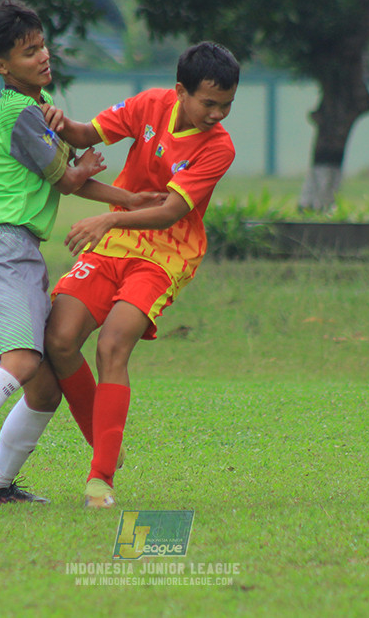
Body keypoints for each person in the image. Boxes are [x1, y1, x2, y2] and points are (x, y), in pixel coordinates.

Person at [0, 0, 163, 504]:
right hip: (3, 250)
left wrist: (125, 199)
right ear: (2, 66)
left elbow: (65, 180)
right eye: (29, 52)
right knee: (24, 360)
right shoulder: (23, 113)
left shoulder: (30, 112)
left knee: (44, 386)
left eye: (42, 44)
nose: (43, 56)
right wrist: (86, 167)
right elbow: (69, 179)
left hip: (18, 251)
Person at [42, 41, 240, 508]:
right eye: (209, 103)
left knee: (113, 345)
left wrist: (107, 217)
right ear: (180, 92)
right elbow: (84, 133)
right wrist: (49, 116)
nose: (217, 115)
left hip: (165, 254)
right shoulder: (149, 104)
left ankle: (100, 479)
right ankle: (105, 439)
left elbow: (170, 211)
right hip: (115, 242)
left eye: (227, 106)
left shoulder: (219, 148)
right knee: (60, 340)